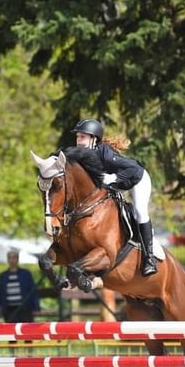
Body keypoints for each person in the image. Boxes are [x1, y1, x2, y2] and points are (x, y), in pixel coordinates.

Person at [70, 118, 158, 276]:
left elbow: (133, 169)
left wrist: (113, 178)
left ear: (93, 139)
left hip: (137, 178)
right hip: (117, 183)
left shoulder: (106, 154)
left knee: (140, 211)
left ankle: (149, 258)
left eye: (82, 137)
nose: (78, 140)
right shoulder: (81, 156)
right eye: (77, 137)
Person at [0, 248, 40, 323]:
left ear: (17, 259)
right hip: (9, 309)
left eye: (14, 257)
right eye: (10, 258)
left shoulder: (26, 274)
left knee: (26, 329)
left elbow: (32, 290)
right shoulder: (3, 276)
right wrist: (0, 308)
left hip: (24, 307)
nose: (12, 260)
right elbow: (0, 293)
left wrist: (36, 306)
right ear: (7, 259)